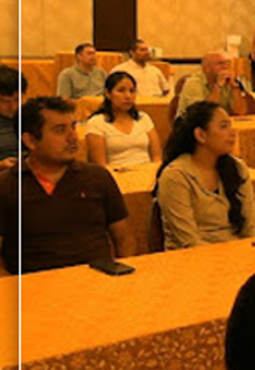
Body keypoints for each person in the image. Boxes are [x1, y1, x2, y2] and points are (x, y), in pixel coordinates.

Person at [0, 97, 134, 274]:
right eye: (60, 130)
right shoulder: (6, 185)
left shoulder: (97, 177)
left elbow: (124, 239)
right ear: (30, 141)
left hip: (97, 280)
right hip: (33, 285)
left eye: (73, 127)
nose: (73, 137)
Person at [155, 101, 255, 250]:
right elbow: (189, 241)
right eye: (223, 126)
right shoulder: (175, 176)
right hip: (193, 258)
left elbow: (252, 224)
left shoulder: (237, 168)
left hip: (238, 252)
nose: (233, 133)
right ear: (201, 135)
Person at [86, 72, 162, 167]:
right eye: (121, 91)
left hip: (147, 171)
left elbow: (157, 158)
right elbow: (100, 165)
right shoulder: (97, 122)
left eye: (132, 91)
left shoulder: (143, 118)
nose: (128, 96)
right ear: (107, 93)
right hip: (115, 173)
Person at [176, 51, 247, 119]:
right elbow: (203, 114)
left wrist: (234, 86)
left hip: (216, 124)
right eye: (220, 64)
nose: (225, 67)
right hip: (190, 124)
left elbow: (240, 112)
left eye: (226, 63)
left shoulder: (227, 82)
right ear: (207, 69)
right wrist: (218, 87)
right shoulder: (193, 83)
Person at [0, 66, 26, 170]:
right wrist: (1, 165)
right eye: (5, 102)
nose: (14, 107)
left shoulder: (29, 117)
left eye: (17, 99)